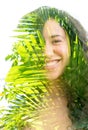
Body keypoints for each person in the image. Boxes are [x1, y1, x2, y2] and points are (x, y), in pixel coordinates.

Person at [1, 6, 88, 130]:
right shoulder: (16, 104)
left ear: (74, 46)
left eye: (56, 41)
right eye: (37, 43)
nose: (46, 52)